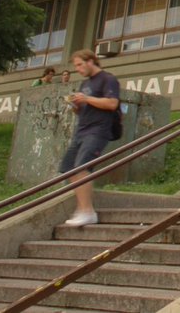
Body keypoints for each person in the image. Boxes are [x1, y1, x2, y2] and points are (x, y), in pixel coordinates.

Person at [58, 49, 120, 226]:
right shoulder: (85, 84)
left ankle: (87, 211)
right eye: (75, 65)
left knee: (82, 166)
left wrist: (86, 98)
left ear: (91, 61)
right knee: (69, 167)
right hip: (82, 130)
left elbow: (112, 103)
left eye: (79, 64)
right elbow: (84, 107)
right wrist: (76, 105)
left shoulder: (108, 79)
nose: (77, 69)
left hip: (98, 130)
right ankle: (82, 208)